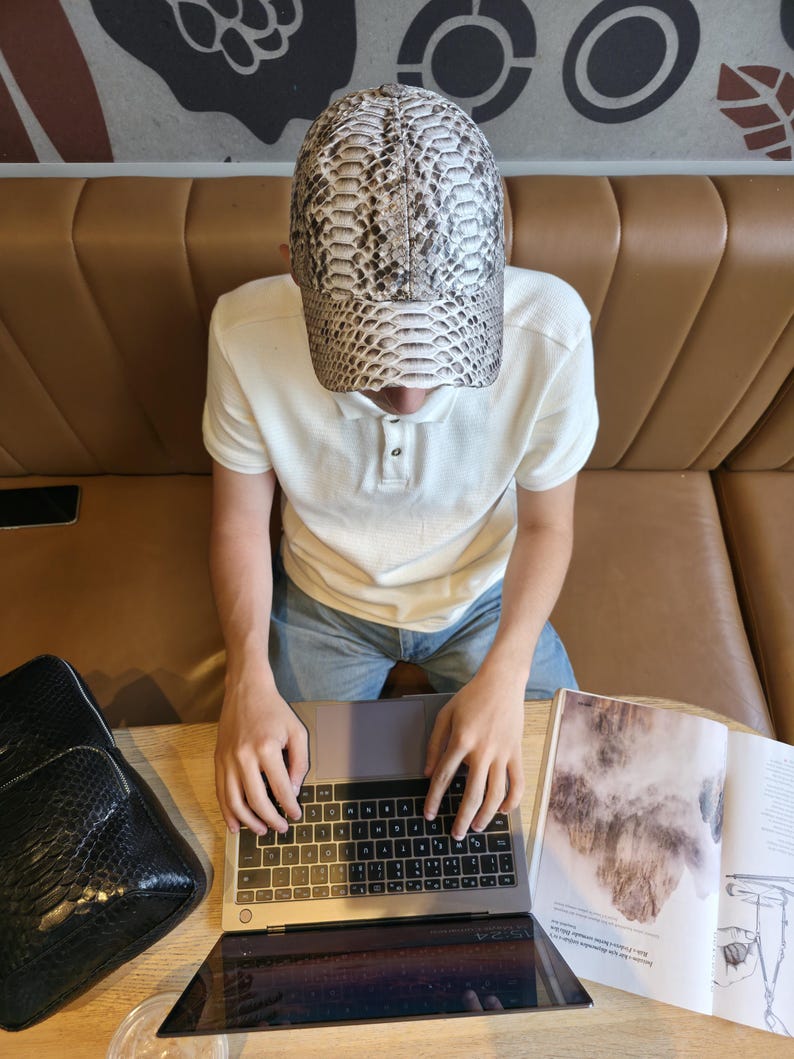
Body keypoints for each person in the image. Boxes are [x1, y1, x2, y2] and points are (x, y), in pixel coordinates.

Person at [203, 83, 598, 845]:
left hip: (484, 596)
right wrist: (244, 673)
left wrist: (507, 671)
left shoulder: (552, 330)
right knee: (281, 838)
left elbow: (549, 524)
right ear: (296, 273)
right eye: (376, 362)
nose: (411, 394)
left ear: (496, 269)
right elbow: (240, 519)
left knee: (565, 826)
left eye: (443, 354)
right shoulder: (243, 333)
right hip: (322, 603)